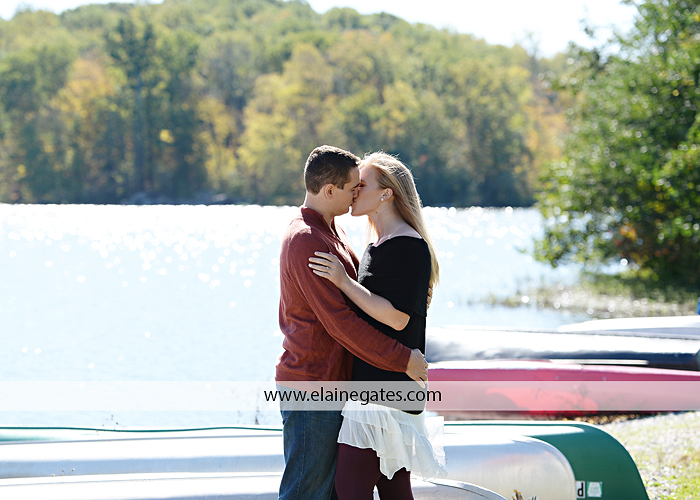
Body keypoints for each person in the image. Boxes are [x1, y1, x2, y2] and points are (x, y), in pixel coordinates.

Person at [276, 145, 429, 500]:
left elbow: (377, 307)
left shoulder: (335, 234)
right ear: (330, 191)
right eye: (352, 188)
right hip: (313, 387)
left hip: (339, 386)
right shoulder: (307, 240)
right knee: (305, 492)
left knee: (332, 491)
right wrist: (402, 359)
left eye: (361, 186)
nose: (355, 194)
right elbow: (341, 322)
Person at [308, 152, 447, 499]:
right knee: (394, 490)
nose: (354, 191)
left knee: (350, 490)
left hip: (384, 391)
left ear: (387, 193)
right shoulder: (378, 245)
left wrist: (343, 281)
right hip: (378, 386)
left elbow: (397, 317)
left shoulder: (407, 245)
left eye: (362, 185)